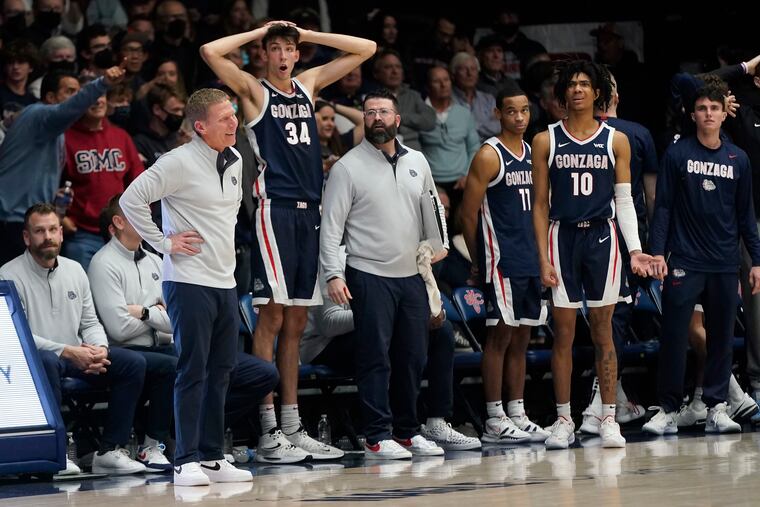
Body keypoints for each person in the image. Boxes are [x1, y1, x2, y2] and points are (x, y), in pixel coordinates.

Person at [199, 20, 375, 463]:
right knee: (272, 320)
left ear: (297, 55)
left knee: (298, 321)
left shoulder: (308, 83)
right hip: (274, 211)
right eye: (274, 48)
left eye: (288, 49)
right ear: (264, 54)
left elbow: (365, 48)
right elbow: (209, 51)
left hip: (310, 214)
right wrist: (257, 31)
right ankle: (267, 429)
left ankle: (294, 426)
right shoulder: (255, 91)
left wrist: (310, 37)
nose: (281, 56)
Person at [120, 88, 253, 487]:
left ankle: (213, 456)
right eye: (224, 118)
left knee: (222, 371)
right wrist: (163, 242)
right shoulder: (176, 162)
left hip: (224, 281)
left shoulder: (235, 159)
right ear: (200, 126)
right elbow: (131, 199)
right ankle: (186, 459)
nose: (234, 122)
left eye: (233, 115)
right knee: (192, 370)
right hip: (188, 281)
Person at [90, 195, 280, 463]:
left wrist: (144, 313)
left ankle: (197, 435)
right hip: (133, 352)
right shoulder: (103, 263)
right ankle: (161, 443)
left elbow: (174, 322)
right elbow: (120, 329)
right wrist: (159, 313)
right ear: (117, 224)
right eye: (137, 212)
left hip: (170, 345)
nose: (148, 217)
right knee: (186, 365)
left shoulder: (156, 259)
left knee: (262, 373)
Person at [320, 89, 448, 459]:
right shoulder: (346, 168)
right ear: (363, 119)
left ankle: (408, 431)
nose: (377, 117)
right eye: (370, 112)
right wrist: (333, 274)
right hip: (367, 273)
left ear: (397, 119)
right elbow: (330, 228)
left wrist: (439, 245)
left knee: (413, 356)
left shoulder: (418, 161)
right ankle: (377, 434)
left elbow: (432, 209)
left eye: (383, 112)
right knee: (375, 356)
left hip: (411, 275)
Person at [531, 60, 652, 449]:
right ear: (562, 93)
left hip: (602, 237)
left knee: (604, 331)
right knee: (563, 333)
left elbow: (625, 201)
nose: (578, 89)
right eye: (572, 84)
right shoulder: (545, 139)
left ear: (598, 92)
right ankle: (564, 417)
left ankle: (609, 416)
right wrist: (542, 258)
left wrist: (635, 249)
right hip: (561, 236)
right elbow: (538, 206)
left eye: (585, 83)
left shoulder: (616, 140)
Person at [644, 82, 760, 435]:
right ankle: (667, 408)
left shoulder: (738, 158)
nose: (708, 114)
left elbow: (746, 215)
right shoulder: (678, 154)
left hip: (725, 263)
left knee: (722, 337)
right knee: (676, 337)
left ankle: (716, 406)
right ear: (693, 114)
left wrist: (756, 261)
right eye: (702, 108)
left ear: (725, 114)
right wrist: (657, 253)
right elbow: (662, 207)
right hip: (684, 259)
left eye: (715, 108)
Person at [0, 203, 146, 475]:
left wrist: (99, 349)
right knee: (45, 361)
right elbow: (19, 336)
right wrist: (68, 351)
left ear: (62, 234)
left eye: (53, 229)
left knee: (132, 363)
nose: (48, 237)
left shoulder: (76, 269)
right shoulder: (8, 275)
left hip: (77, 356)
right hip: (38, 363)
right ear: (26, 237)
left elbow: (90, 322)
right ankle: (55, 452)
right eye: (39, 231)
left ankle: (109, 451)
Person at [300, 248, 481, 451]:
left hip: (375, 331)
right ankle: (387, 432)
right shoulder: (334, 259)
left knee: (443, 332)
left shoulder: (395, 259)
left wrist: (426, 314)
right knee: (389, 336)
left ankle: (435, 423)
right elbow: (329, 323)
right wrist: (388, 317)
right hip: (326, 345)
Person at [460, 82, 549, 445]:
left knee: (522, 339)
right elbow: (466, 216)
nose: (519, 117)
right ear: (497, 113)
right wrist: (480, 259)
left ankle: (517, 412)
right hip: (502, 260)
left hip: (531, 259)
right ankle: (494, 417)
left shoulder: (534, 152)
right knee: (499, 338)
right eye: (511, 110)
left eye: (524, 110)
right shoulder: (488, 155)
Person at [579, 70, 655, 435]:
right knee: (614, 318)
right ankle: (600, 402)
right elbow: (650, 195)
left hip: (579, 237)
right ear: (616, 95)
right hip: (623, 236)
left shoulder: (574, 133)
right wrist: (651, 243)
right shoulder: (636, 133)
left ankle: (614, 398)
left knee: (600, 318)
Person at [0, 63, 125, 266]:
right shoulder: (37, 114)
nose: (78, 98)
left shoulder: (55, 133)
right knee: (10, 290)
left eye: (78, 92)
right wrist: (102, 83)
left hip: (26, 219)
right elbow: (69, 109)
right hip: (10, 220)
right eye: (70, 92)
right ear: (50, 98)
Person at [61, 80, 145, 270]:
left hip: (120, 231)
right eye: (92, 96)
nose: (98, 101)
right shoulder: (65, 138)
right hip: (81, 233)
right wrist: (61, 217)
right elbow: (51, 182)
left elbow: (140, 182)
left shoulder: (121, 136)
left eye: (102, 96)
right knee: (81, 293)